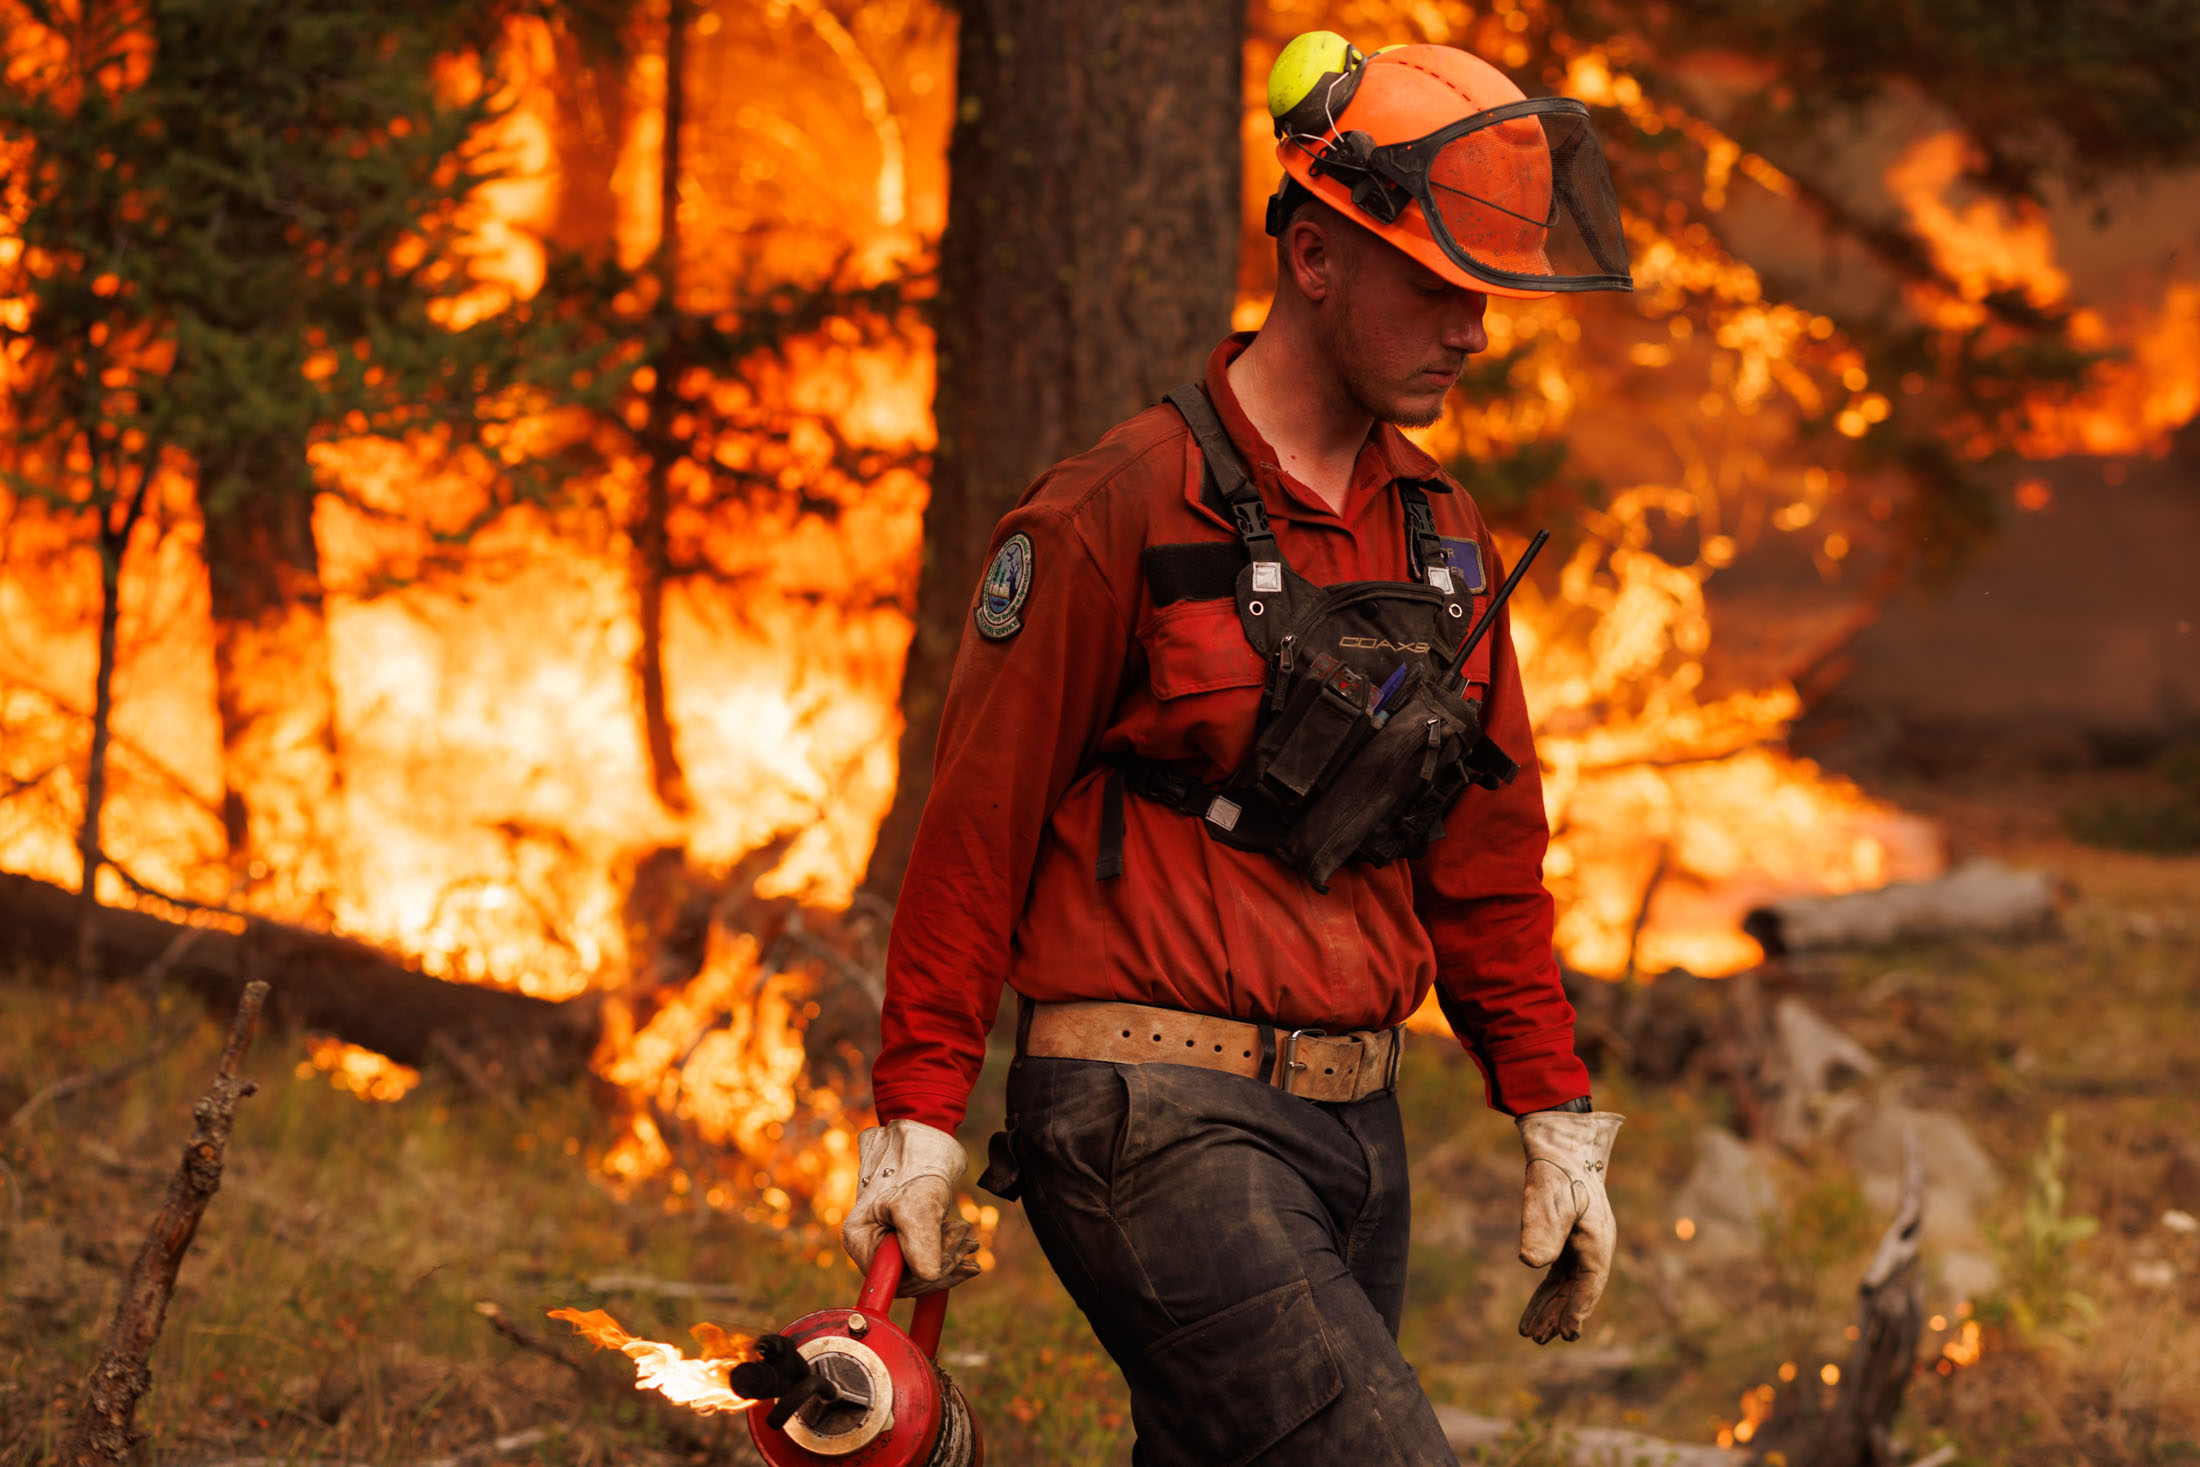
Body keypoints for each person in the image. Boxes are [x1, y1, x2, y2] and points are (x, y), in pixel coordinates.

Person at [843, 34, 1635, 1466]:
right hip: (1147, 1114)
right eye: (1438, 291)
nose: (1471, 332)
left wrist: (1554, 1109)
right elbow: (975, 829)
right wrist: (917, 1116)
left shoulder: (1446, 540)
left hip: (1358, 1129)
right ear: (1317, 258)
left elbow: (1487, 866)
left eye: (1488, 299)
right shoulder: (1114, 513)